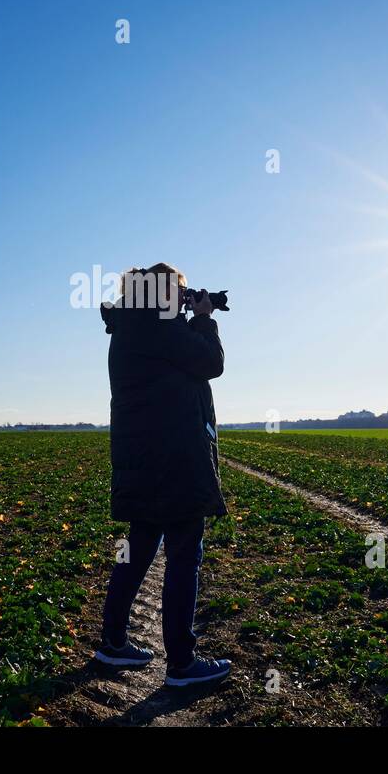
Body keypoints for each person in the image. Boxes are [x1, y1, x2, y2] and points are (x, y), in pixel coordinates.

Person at [94, 262, 232, 687]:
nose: (182, 297)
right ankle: (182, 664)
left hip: (144, 461)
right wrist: (205, 319)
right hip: (173, 462)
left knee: (137, 552)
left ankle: (114, 642)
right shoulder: (157, 327)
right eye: (178, 290)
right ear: (160, 294)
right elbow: (210, 363)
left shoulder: (133, 327)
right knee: (184, 556)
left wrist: (190, 316)